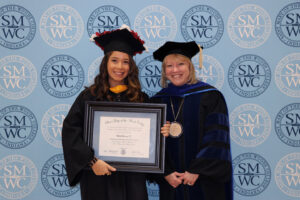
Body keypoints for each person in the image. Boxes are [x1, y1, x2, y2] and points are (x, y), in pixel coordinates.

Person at [62, 25, 170, 200]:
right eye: (114, 60)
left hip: (132, 177)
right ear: (106, 63)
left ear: (131, 66)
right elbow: (70, 132)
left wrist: (161, 132)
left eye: (125, 61)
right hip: (98, 175)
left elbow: (150, 140)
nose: (120, 67)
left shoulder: (140, 98)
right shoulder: (89, 96)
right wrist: (92, 162)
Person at [151, 41, 232, 200]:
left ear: (190, 67)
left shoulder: (210, 97)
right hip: (172, 183)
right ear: (164, 71)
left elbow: (216, 137)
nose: (175, 70)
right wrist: (165, 173)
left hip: (204, 181)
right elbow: (151, 143)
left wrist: (196, 170)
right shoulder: (157, 101)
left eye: (180, 64)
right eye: (169, 66)